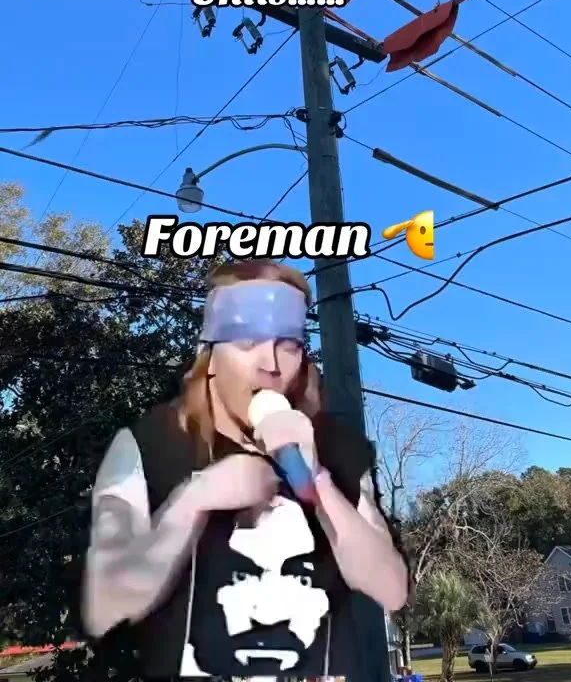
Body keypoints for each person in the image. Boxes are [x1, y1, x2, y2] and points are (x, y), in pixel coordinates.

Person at [82, 260, 410, 681]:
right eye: (246, 340)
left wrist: (320, 485)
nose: (270, 364)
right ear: (209, 355)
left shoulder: (334, 454)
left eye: (288, 344)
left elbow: (391, 589)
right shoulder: (146, 448)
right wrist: (191, 502)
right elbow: (105, 606)